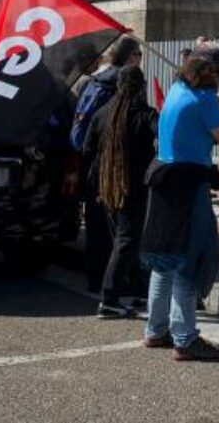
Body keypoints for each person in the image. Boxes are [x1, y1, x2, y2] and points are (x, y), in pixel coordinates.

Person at [141, 42, 219, 361]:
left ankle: (155, 330)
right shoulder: (206, 99)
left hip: (162, 177)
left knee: (164, 258)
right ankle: (185, 338)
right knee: (188, 260)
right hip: (188, 184)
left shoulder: (175, 90)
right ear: (212, 72)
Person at [83, 65, 158, 319]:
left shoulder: (102, 114)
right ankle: (110, 297)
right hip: (133, 189)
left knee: (125, 241)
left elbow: (87, 148)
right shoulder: (145, 114)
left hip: (106, 188)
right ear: (141, 86)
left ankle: (139, 289)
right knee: (127, 242)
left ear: (118, 85)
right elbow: (164, 138)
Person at [73, 36, 142, 293]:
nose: (139, 61)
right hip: (117, 168)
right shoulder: (123, 85)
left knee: (96, 226)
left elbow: (82, 137)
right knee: (121, 230)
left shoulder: (93, 84)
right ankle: (116, 284)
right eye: (138, 55)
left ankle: (95, 279)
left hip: (93, 166)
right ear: (129, 57)